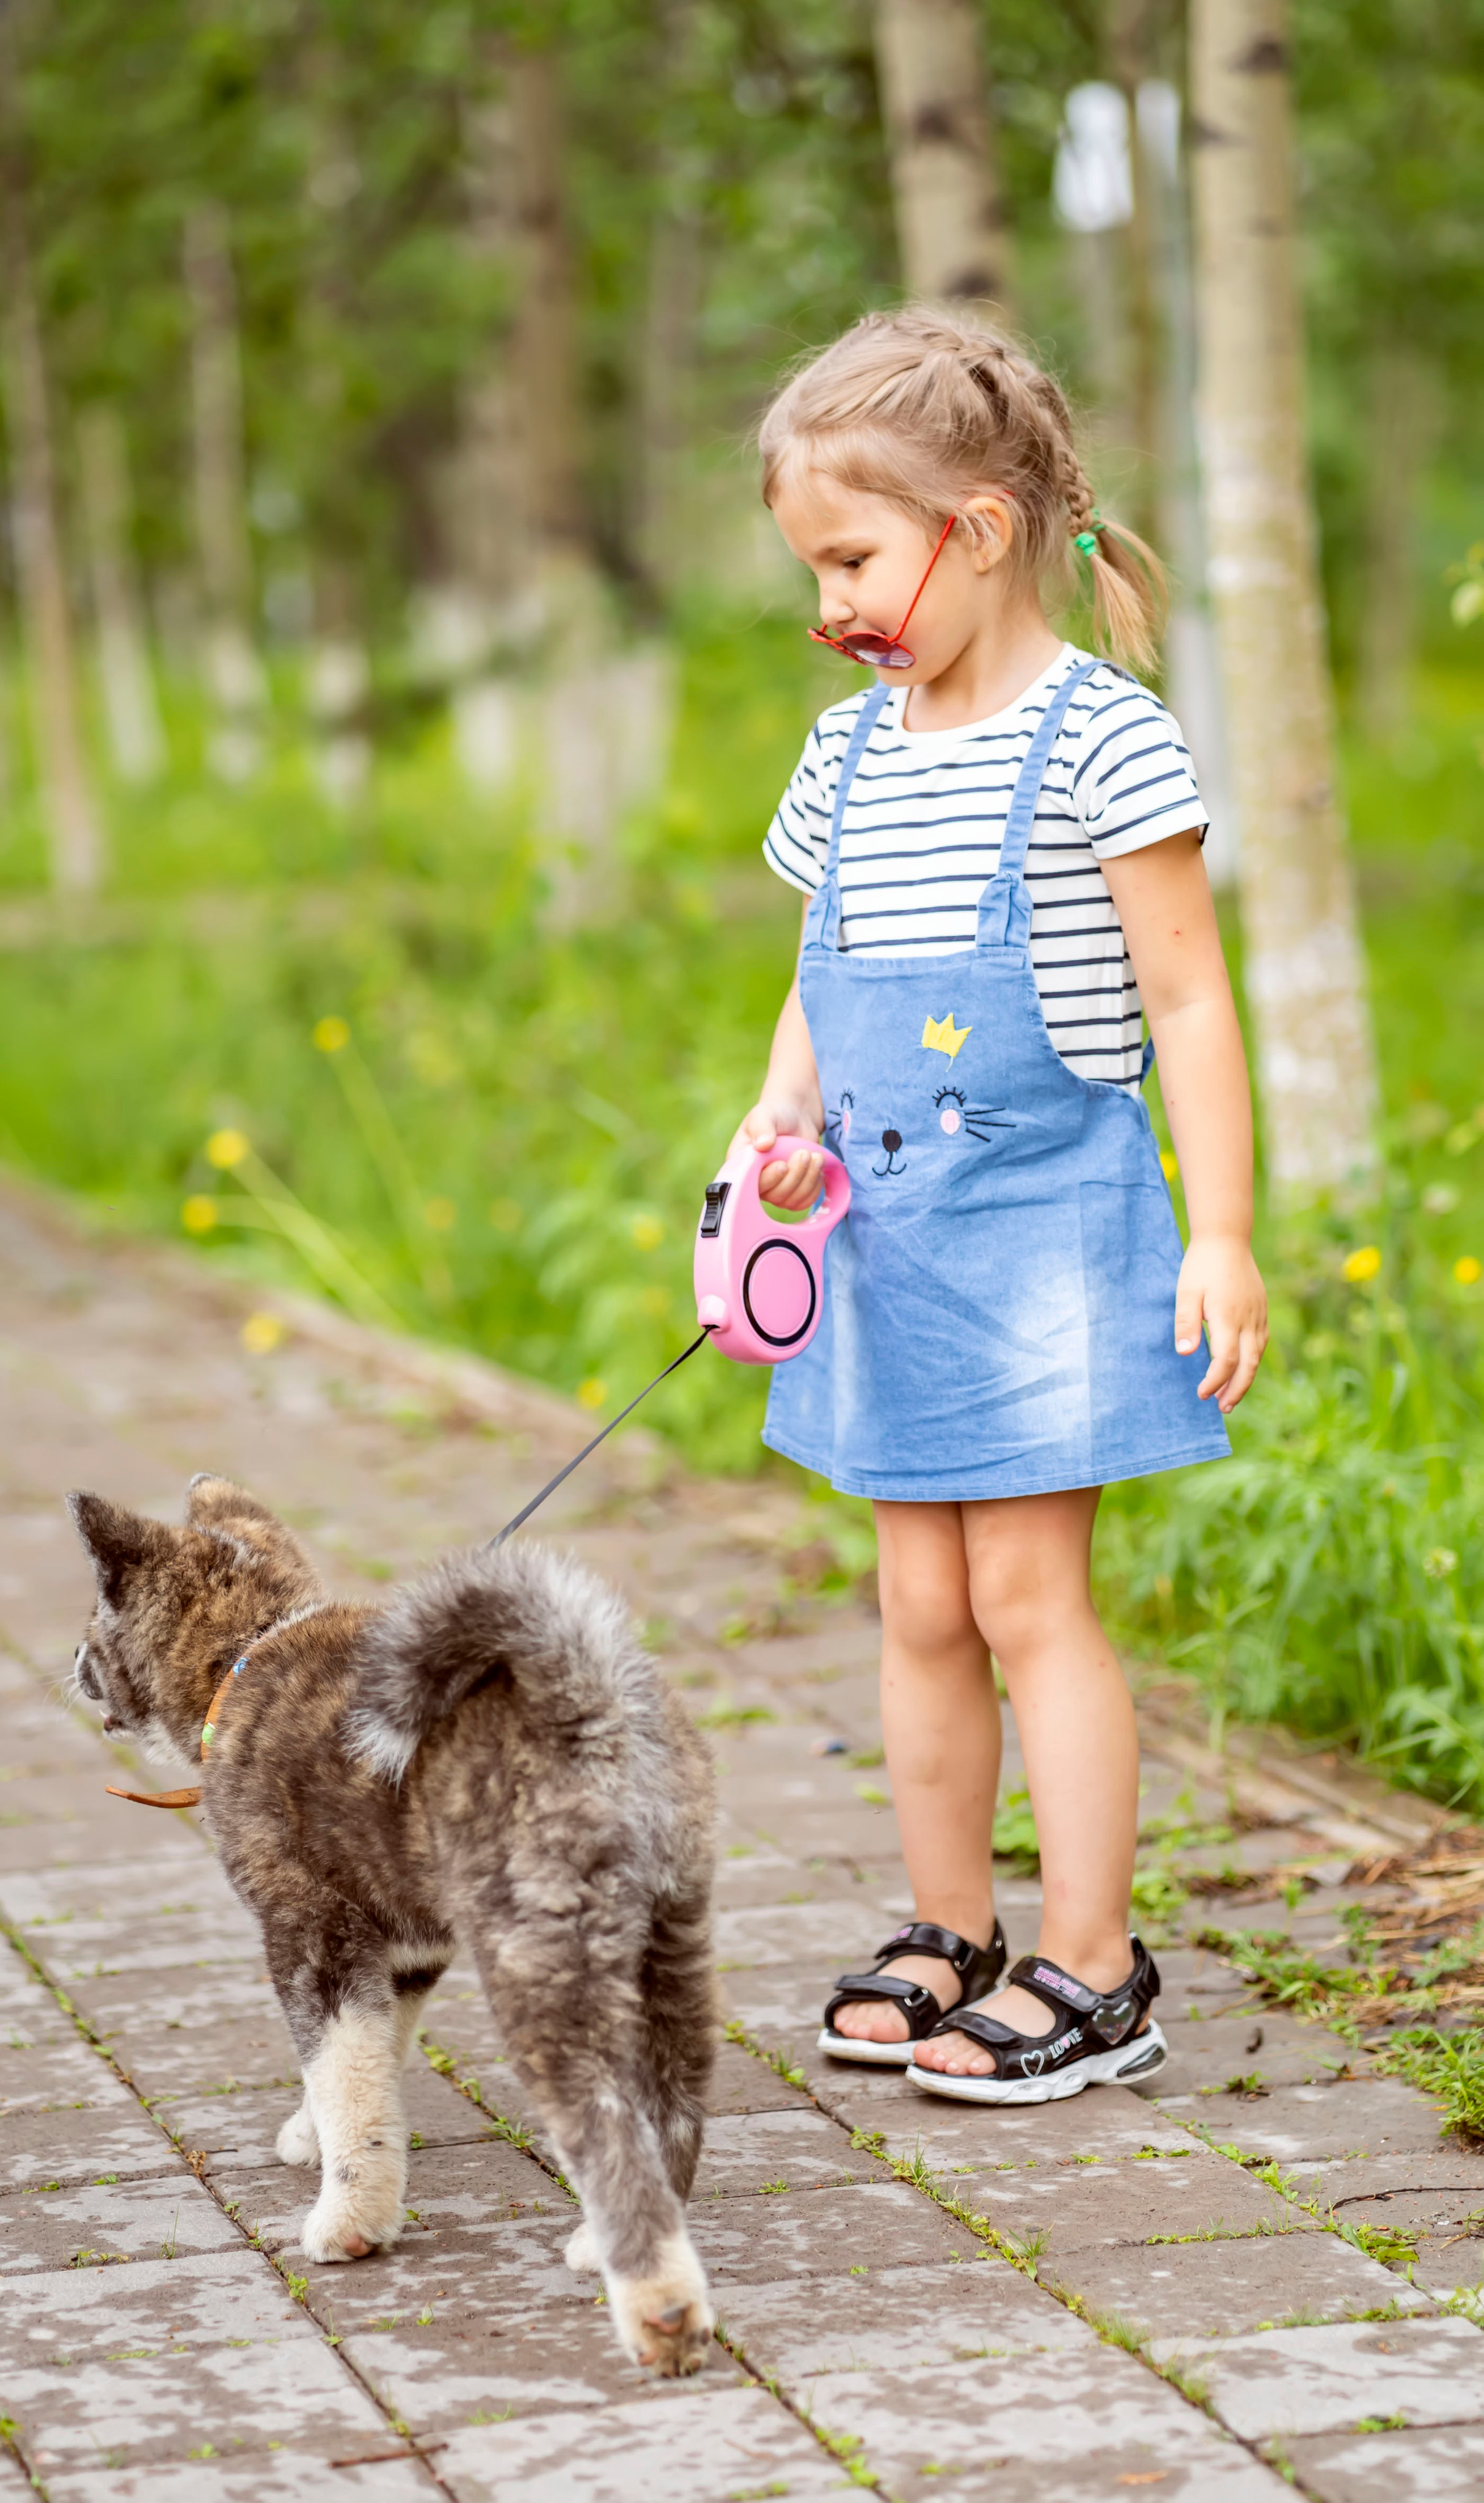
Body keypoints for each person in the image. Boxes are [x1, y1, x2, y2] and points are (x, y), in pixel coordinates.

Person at [732, 307, 1267, 2105]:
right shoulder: (846, 755)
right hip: (882, 1241)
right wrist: (778, 1121)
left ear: (977, 527)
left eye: (853, 560)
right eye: (812, 569)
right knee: (917, 1604)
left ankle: (1099, 1965)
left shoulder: (1102, 742)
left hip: (1044, 1232)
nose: (832, 606)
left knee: (1033, 1597)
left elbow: (1189, 997)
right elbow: (822, 975)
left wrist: (1223, 1231)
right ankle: (950, 1924)